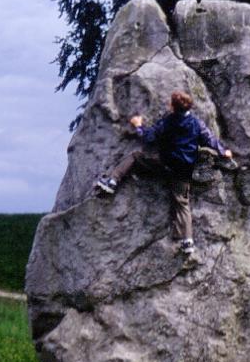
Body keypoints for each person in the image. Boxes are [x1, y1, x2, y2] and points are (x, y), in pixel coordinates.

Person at [96, 91, 232, 256]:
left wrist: (138, 125)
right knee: (182, 203)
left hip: (165, 165)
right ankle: (187, 241)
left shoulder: (168, 122)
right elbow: (209, 139)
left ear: (172, 106)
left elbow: (149, 138)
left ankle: (112, 181)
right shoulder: (196, 124)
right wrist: (223, 151)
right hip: (183, 170)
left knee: (135, 157)